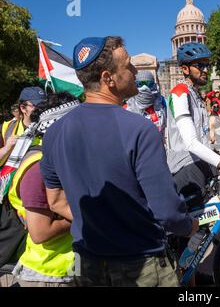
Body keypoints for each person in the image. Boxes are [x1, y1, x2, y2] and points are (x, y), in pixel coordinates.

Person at [40, 36, 197, 287]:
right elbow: (167, 211)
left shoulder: (53, 133)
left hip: (86, 260)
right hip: (140, 262)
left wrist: (97, 222)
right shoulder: (139, 129)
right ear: (107, 78)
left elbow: (55, 201)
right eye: (128, 66)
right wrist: (189, 226)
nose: (135, 71)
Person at [165, 42, 220, 285]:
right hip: (184, 169)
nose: (205, 69)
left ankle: (189, 273)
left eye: (207, 64)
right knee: (187, 230)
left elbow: (203, 138)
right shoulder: (179, 93)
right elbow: (191, 142)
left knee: (199, 227)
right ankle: (186, 281)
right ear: (184, 69)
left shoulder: (195, 93)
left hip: (199, 167)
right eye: (199, 65)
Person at [11, 92, 79, 287]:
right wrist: (86, 214)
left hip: (71, 269)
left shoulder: (59, 159)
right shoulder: (38, 168)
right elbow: (40, 232)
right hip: (47, 275)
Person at [0, 88, 46, 166]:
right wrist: (6, 149)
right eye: (36, 106)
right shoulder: (6, 128)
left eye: (45, 105)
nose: (42, 109)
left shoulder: (52, 128)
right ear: (23, 108)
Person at [124, 70, 166, 136]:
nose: (144, 87)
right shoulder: (128, 108)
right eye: (140, 84)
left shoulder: (162, 102)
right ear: (136, 85)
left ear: (153, 85)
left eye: (148, 83)